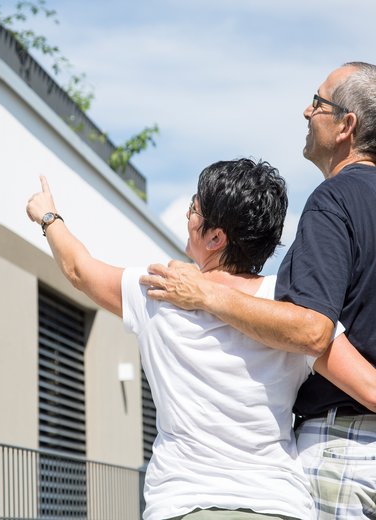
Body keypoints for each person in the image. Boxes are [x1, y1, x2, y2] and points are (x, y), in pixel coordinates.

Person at [26, 158, 376, 520]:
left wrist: (49, 218)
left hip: (182, 502)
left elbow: (78, 270)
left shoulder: (157, 291)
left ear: (215, 237)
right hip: (276, 503)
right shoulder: (293, 310)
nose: (188, 214)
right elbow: (368, 388)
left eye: (194, 207)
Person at [139, 62, 376, 519]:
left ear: (347, 125)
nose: (307, 111)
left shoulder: (335, 200)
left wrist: (205, 294)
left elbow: (312, 332)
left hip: (344, 449)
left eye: (319, 103)